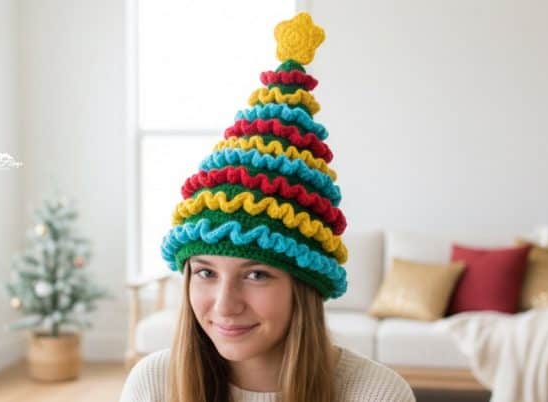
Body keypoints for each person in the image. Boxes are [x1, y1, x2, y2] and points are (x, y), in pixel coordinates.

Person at [119, 12, 415, 402]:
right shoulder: (153, 384)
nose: (225, 305)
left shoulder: (376, 394)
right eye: (206, 272)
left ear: (303, 286)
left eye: (257, 274)